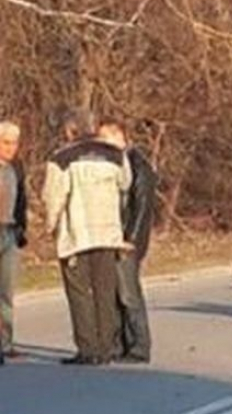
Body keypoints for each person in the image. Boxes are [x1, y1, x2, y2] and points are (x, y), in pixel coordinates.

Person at [43, 109, 132, 365]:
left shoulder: (61, 158)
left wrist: (52, 226)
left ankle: (87, 348)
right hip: (108, 233)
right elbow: (125, 184)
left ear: (71, 131)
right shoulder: (116, 155)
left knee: (80, 293)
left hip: (76, 235)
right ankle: (106, 348)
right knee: (105, 291)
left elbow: (54, 196)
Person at [97, 119, 157, 364]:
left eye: (105, 139)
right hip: (113, 236)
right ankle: (119, 343)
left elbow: (142, 207)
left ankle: (140, 345)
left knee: (129, 293)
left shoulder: (138, 166)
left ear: (120, 137)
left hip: (128, 239)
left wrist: (131, 239)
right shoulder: (112, 164)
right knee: (114, 292)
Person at [0, 121, 27, 363]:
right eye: (6, 143)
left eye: (14, 143)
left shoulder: (16, 167)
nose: (11, 148)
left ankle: (6, 342)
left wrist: (22, 229)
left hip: (9, 231)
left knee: (6, 291)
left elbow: (22, 201)